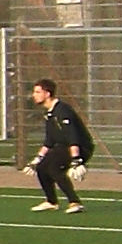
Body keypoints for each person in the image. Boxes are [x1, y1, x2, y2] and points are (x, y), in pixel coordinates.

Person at [26, 78, 95, 213]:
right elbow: (50, 140)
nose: (34, 95)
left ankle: (74, 202)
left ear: (47, 94)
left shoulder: (62, 110)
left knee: (54, 168)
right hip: (63, 147)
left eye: (38, 92)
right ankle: (51, 201)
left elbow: (73, 136)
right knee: (42, 167)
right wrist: (38, 158)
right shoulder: (49, 113)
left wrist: (76, 159)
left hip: (79, 147)